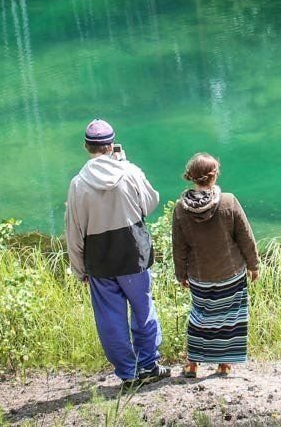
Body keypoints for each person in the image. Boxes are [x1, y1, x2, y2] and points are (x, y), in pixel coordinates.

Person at [65, 118, 170, 390]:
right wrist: (125, 165)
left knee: (110, 318)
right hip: (133, 253)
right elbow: (150, 203)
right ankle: (149, 364)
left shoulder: (78, 184)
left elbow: (74, 231)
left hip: (100, 260)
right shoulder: (129, 171)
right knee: (143, 309)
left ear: (87, 147)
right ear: (111, 145)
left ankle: (128, 373)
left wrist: (79, 269)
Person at [172, 152, 259, 379]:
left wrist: (181, 273)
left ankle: (192, 364)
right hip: (231, 274)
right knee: (230, 318)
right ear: (215, 175)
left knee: (200, 317)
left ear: (191, 177)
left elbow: (179, 247)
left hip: (199, 277)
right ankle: (224, 364)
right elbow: (245, 237)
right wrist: (254, 265)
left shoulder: (181, 209)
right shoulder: (229, 201)